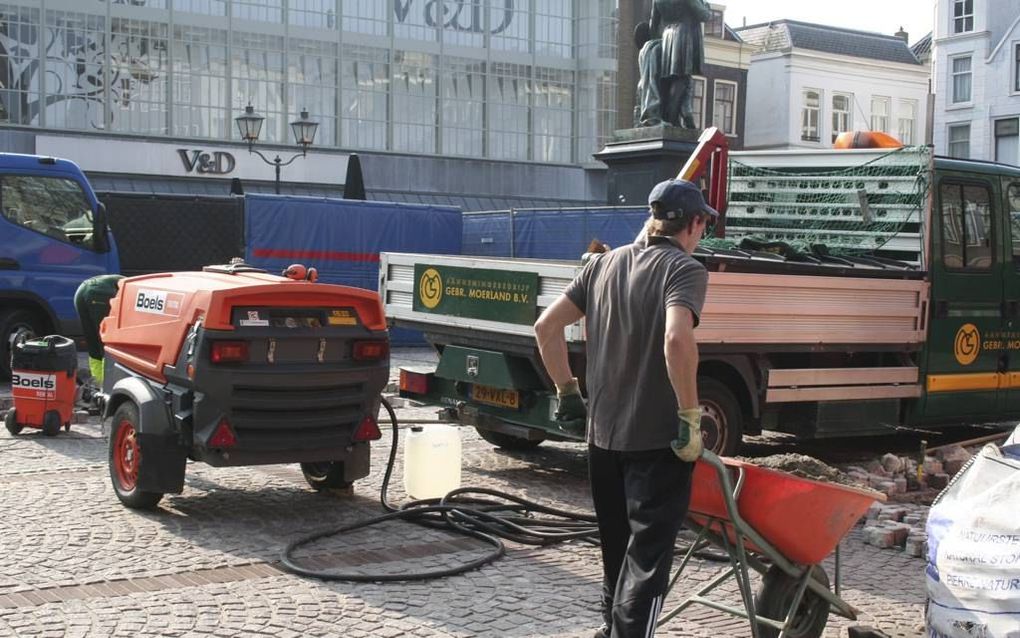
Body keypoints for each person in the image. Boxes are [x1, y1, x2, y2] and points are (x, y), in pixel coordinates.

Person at [534, 178, 716, 637]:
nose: (702, 235)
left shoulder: (602, 264)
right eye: (703, 226)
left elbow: (545, 328)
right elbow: (677, 339)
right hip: (657, 445)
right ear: (693, 224)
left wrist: (567, 392)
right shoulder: (685, 269)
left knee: (616, 550)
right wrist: (691, 418)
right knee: (648, 563)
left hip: (603, 441)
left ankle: (608, 628)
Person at [651, 0, 711, 128]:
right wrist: (706, 7)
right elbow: (704, 15)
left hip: (667, 36)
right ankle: (673, 118)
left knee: (669, 80)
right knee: (682, 78)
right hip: (684, 34)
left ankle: (677, 116)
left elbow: (654, 24)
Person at [73, 274, 125, 384]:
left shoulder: (130, 282)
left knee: (92, 341)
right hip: (98, 292)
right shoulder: (142, 290)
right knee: (106, 342)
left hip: (81, 290)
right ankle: (106, 385)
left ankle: (97, 383)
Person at [634, 21, 663, 127]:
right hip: (646, 87)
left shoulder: (642, 52)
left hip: (641, 86)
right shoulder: (654, 49)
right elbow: (653, 77)